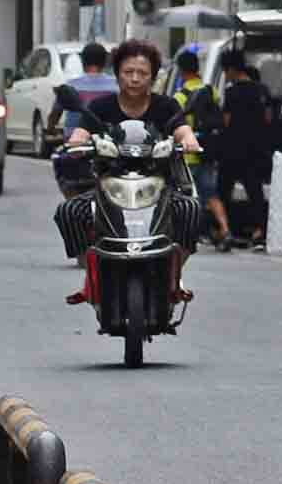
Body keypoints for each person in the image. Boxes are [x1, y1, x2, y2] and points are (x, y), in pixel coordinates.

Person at [60, 36, 197, 306]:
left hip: (159, 188)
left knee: (190, 210)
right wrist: (76, 141)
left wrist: (189, 140)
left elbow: (182, 129)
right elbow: (81, 131)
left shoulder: (166, 106)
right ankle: (92, 278)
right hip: (109, 188)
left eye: (142, 73)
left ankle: (173, 276)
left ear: (153, 77)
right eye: (128, 72)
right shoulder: (101, 107)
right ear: (117, 74)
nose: (135, 78)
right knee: (69, 212)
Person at [197, 56, 278, 247]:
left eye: (226, 71)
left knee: (224, 190)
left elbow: (226, 121)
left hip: (232, 149)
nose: (226, 75)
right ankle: (260, 231)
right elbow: (268, 119)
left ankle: (223, 230)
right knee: (255, 190)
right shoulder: (262, 90)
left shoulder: (232, 92)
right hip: (256, 149)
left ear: (233, 70)